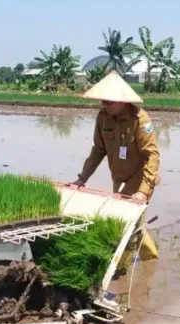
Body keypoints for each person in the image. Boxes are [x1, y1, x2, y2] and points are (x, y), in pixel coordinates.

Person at [72, 70, 160, 275]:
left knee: (126, 223)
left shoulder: (140, 119)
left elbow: (152, 156)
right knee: (135, 223)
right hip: (118, 178)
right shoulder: (103, 118)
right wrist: (81, 179)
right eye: (102, 101)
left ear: (122, 100)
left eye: (108, 101)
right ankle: (151, 260)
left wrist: (143, 191)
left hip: (140, 178)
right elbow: (98, 150)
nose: (104, 104)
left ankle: (119, 268)